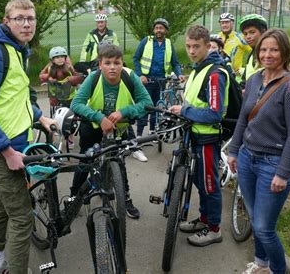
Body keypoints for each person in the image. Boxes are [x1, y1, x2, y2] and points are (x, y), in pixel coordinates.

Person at [0, 0, 55, 274]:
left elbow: (17, 93)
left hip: (13, 142)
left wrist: (40, 116)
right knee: (21, 216)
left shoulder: (17, 48)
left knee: (3, 207)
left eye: (31, 18)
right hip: (1, 148)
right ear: (7, 21)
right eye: (20, 18)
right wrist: (7, 151)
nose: (26, 24)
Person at [227, 29, 290, 274]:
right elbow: (244, 117)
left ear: (284, 52)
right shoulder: (254, 80)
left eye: (274, 49)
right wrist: (233, 151)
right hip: (246, 158)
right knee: (254, 219)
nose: (267, 54)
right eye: (263, 49)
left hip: (272, 165)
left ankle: (277, 269)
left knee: (264, 227)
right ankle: (261, 264)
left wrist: (283, 173)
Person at [70, 44, 153, 219]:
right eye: (107, 63)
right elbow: (76, 103)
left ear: (123, 63)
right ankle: (73, 198)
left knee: (118, 165)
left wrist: (124, 112)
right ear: (100, 64)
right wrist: (100, 118)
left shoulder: (130, 77)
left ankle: (125, 199)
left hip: (119, 130)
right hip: (93, 128)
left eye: (117, 62)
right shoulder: (93, 78)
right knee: (85, 162)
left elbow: (147, 103)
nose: (113, 67)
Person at [168, 25, 229, 247]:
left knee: (210, 184)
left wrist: (185, 111)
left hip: (207, 139)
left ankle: (214, 229)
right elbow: (194, 101)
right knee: (200, 182)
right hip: (193, 136)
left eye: (196, 46)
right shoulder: (198, 69)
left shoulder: (214, 74)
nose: (191, 51)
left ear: (207, 46)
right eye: (188, 46)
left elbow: (215, 113)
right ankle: (204, 219)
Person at [132, 18, 184, 161]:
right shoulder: (146, 41)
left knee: (157, 106)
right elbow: (136, 58)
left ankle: (154, 132)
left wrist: (179, 74)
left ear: (166, 31)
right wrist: (140, 74)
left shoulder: (168, 44)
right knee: (145, 107)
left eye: (161, 28)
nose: (159, 30)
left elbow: (175, 63)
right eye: (157, 28)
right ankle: (139, 135)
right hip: (147, 80)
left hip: (161, 80)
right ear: (154, 30)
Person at [39, 46, 84, 148]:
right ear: (52, 59)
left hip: (70, 97)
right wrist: (48, 78)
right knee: (56, 118)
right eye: (57, 57)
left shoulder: (68, 67)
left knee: (71, 118)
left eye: (62, 57)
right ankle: (55, 137)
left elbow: (77, 76)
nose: (60, 59)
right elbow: (41, 76)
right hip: (56, 97)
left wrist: (73, 79)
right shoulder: (49, 67)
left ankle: (70, 138)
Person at [217, 12, 252, 80]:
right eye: (222, 23)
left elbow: (253, 51)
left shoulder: (240, 38)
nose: (224, 25)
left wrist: (244, 69)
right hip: (219, 74)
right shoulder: (217, 37)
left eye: (227, 22)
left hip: (235, 76)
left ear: (232, 23)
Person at [238, 14, 268, 89]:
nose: (248, 37)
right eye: (245, 34)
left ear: (263, 32)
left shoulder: (269, 56)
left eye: (252, 32)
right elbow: (244, 82)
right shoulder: (251, 55)